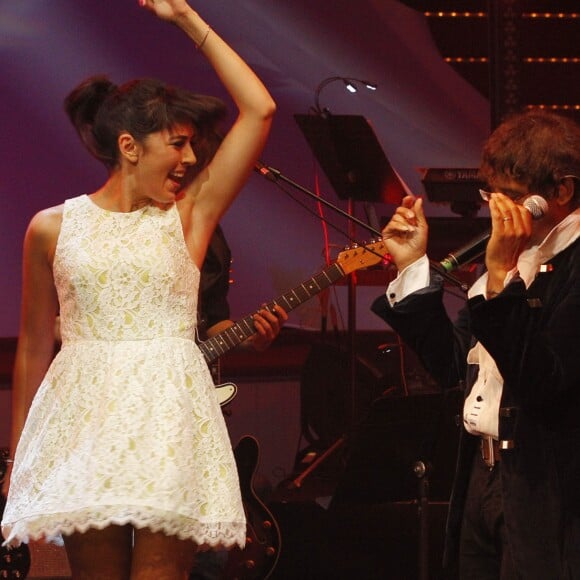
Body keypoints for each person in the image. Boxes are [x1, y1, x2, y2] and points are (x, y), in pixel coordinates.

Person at [1, 0, 276, 577]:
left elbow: (260, 109)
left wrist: (187, 20)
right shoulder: (52, 227)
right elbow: (33, 347)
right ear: (130, 147)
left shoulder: (189, 218)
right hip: (86, 419)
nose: (191, 158)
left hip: (167, 418)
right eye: (177, 144)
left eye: (193, 145)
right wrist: (18, 450)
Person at [371, 109, 580, 579]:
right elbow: (450, 364)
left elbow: (542, 379)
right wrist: (412, 268)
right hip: (482, 475)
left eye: (511, 197)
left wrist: (503, 279)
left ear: (560, 192)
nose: (496, 211)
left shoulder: (567, 265)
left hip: (547, 490)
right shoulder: (517, 258)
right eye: (492, 195)